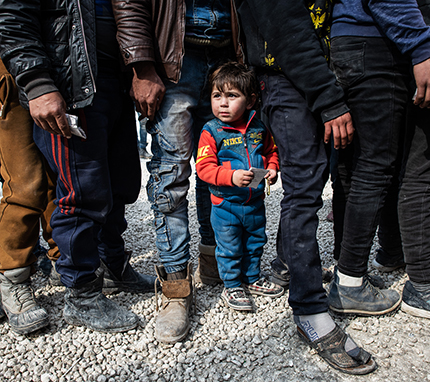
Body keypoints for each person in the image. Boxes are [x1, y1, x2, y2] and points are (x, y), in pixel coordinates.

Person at [327, 0, 430, 329]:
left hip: (372, 39)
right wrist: (422, 47)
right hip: (378, 39)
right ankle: (360, 284)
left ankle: (358, 274)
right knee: (378, 169)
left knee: (375, 167)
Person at [234, 0, 377, 375]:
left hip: (307, 77)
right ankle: (309, 308)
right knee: (304, 190)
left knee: (309, 182)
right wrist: (329, 100)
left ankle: (287, 266)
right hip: (287, 78)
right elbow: (286, 27)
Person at [0, 0, 155, 333]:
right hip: (68, 82)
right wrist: (38, 81)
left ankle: (112, 263)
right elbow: (13, 14)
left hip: (112, 80)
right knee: (80, 193)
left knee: (121, 184)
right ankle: (82, 294)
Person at [113, 0, 243, 343]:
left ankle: (217, 264)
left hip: (226, 61)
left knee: (219, 170)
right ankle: (175, 287)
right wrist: (142, 67)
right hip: (174, 63)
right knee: (170, 176)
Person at [196, 62, 283, 311]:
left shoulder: (259, 127)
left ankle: (252, 278)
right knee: (230, 246)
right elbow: (203, 168)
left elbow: (271, 151)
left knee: (256, 241)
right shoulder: (211, 131)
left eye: (232, 96)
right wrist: (230, 177)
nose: (223, 103)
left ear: (250, 100)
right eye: (217, 96)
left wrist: (273, 168)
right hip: (226, 205)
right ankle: (232, 285)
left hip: (255, 202)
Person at [0, 57, 58, 334]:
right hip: (12, 66)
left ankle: (61, 259)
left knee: (56, 178)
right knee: (25, 183)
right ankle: (12, 276)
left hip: (53, 65)